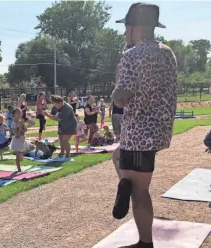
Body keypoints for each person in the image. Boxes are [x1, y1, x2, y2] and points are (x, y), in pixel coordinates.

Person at [111, 4, 177, 248]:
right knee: (116, 155)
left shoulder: (132, 55)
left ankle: (145, 243)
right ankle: (124, 183)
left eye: (126, 26)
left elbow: (121, 97)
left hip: (139, 131)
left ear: (135, 27)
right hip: (160, 128)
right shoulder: (167, 52)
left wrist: (116, 87)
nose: (124, 31)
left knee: (140, 190)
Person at [10, 108, 35, 172]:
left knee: (32, 147)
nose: (20, 114)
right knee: (17, 156)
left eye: (20, 113)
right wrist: (21, 125)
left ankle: (22, 153)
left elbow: (26, 130)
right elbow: (17, 134)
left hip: (23, 139)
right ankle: (19, 169)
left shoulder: (20, 121)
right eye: (18, 113)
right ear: (13, 115)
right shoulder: (13, 123)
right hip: (17, 141)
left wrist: (24, 124)